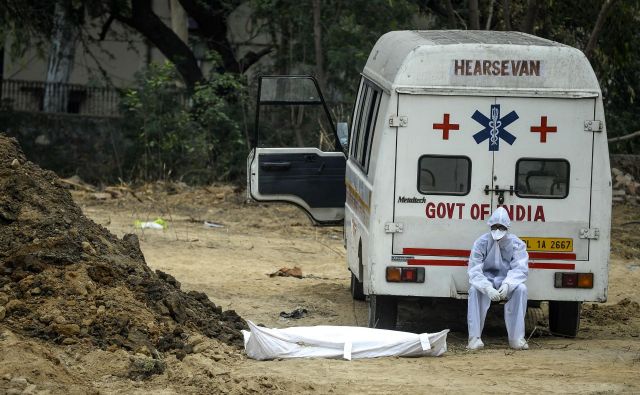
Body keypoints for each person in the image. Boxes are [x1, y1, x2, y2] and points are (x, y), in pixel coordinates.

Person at [467, 207, 529, 350]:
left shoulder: (517, 244)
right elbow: (474, 269)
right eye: (495, 226)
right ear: (490, 226)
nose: (497, 230)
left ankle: (517, 338)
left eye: (501, 227)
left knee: (521, 289)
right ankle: (474, 338)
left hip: (506, 281)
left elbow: (520, 268)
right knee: (473, 291)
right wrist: (487, 288)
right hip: (486, 281)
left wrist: (508, 284)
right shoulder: (481, 243)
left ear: (507, 227)